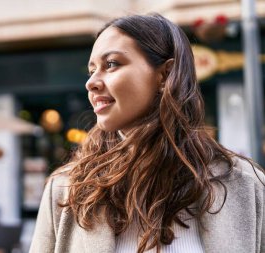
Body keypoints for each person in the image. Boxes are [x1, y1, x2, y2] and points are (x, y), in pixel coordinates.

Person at [29, 13, 265, 253]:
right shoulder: (67, 190)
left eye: (111, 64)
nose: (91, 83)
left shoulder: (244, 185)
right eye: (92, 71)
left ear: (164, 74)